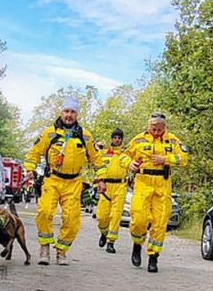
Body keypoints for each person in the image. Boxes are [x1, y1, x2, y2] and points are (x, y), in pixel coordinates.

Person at [23, 96, 104, 266]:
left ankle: (61, 251)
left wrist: (101, 179)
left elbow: (96, 158)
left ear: (77, 115)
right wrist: (30, 170)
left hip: (74, 183)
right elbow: (34, 153)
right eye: (66, 111)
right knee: (45, 212)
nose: (69, 115)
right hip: (52, 179)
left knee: (72, 219)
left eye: (73, 112)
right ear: (61, 112)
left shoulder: (86, 136)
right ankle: (44, 248)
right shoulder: (49, 133)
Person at [119, 112, 188, 272]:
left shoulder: (172, 140)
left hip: (162, 185)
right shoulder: (138, 140)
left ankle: (153, 257)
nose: (155, 132)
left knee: (160, 223)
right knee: (138, 220)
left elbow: (184, 158)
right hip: (143, 182)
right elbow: (123, 156)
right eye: (153, 128)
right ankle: (137, 244)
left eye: (159, 129)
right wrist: (129, 164)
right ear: (148, 126)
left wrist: (167, 159)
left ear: (164, 127)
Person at [94, 128, 128, 254]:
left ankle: (111, 242)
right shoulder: (104, 153)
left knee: (115, 215)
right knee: (102, 216)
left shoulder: (125, 154)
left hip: (120, 186)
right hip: (106, 186)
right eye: (115, 137)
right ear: (112, 139)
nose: (117, 140)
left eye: (119, 138)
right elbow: (94, 158)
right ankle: (103, 232)